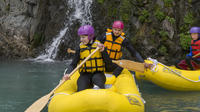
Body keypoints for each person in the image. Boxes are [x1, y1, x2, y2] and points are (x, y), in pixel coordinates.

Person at [63, 25, 110, 92]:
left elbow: (109, 63)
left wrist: (103, 51)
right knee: (81, 89)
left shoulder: (99, 46)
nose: (81, 40)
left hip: (98, 74)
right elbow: (73, 64)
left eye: (83, 37)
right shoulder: (79, 48)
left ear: (90, 36)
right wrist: (67, 73)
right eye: (80, 37)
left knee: (98, 84)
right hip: (85, 75)